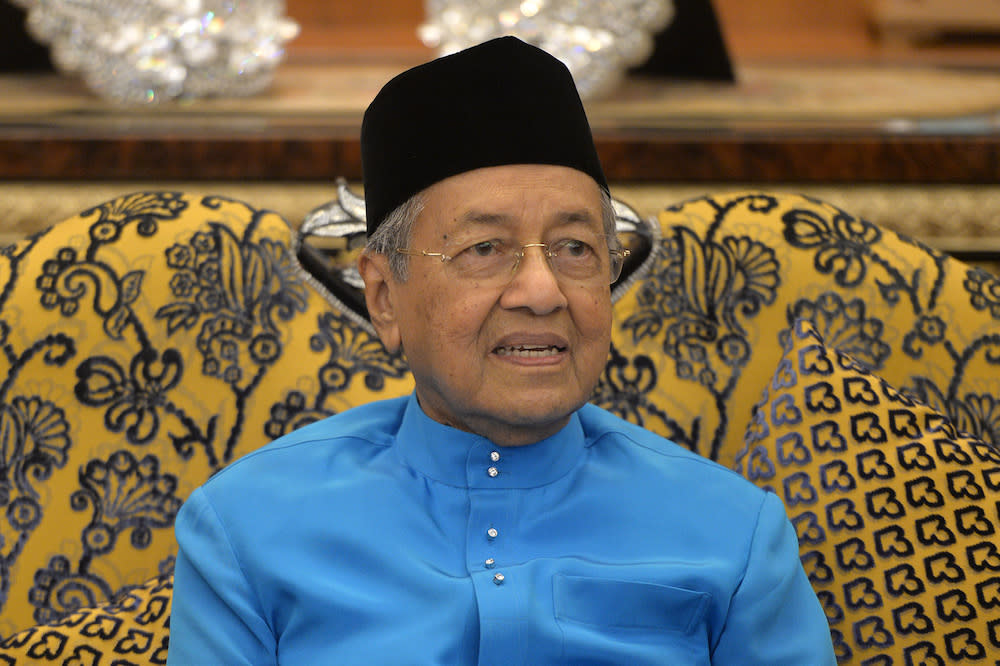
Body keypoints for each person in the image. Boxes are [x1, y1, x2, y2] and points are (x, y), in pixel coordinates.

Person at [167, 36, 835, 664]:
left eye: (575, 248)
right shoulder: (245, 530)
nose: (543, 292)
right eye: (485, 249)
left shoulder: (734, 534)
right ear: (383, 297)